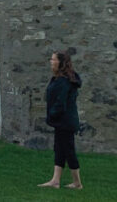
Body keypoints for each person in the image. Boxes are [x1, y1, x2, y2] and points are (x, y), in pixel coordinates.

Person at [39, 50, 83, 190]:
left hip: (66, 122)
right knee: (59, 149)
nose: (51, 62)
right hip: (62, 122)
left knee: (68, 150)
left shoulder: (64, 81)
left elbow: (60, 103)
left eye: (53, 59)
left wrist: (51, 115)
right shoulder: (59, 79)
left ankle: (77, 183)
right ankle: (55, 181)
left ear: (60, 62)